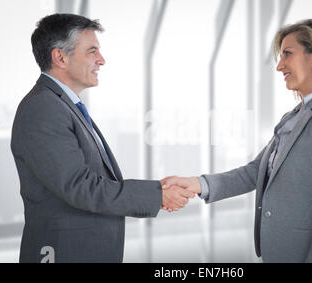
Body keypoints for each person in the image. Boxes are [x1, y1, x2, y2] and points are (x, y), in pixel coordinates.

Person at [162, 19, 312, 263]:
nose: (280, 66)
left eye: (287, 54)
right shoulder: (293, 117)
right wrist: (198, 184)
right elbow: (255, 172)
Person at [11, 13, 193, 263]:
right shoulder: (43, 107)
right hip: (63, 253)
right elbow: (80, 187)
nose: (102, 60)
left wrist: (156, 191)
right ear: (60, 57)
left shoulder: (63, 105)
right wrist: (155, 196)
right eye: (92, 51)